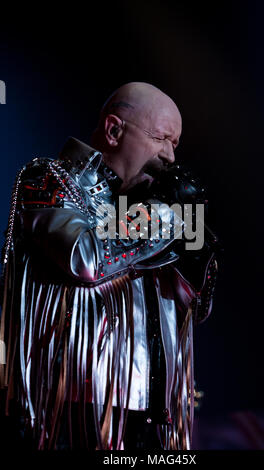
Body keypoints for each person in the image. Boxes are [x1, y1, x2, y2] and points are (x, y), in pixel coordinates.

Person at [0, 82, 219, 450]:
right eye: (160, 138)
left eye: (175, 144)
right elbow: (85, 258)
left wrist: (199, 253)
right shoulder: (48, 178)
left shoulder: (149, 205)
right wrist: (167, 215)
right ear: (115, 130)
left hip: (153, 417)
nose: (169, 157)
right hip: (69, 415)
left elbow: (195, 309)